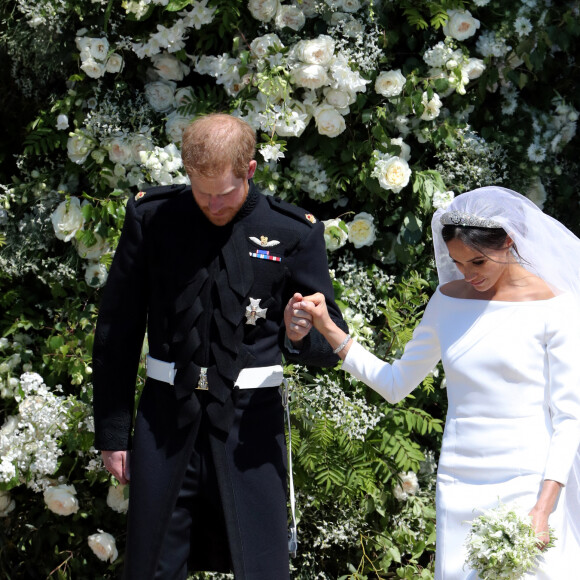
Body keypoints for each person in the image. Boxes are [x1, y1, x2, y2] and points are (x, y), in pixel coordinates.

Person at [92, 113, 347, 579]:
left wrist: (299, 334)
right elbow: (117, 330)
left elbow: (328, 343)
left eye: (225, 193)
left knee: (261, 568)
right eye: (201, 191)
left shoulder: (293, 231)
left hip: (251, 426)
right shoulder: (153, 219)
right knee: (151, 566)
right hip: (165, 422)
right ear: (187, 172)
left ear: (250, 170)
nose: (212, 204)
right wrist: (112, 434)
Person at [288, 186, 580, 578]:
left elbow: (569, 418)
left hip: (530, 483)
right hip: (459, 482)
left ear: (509, 240)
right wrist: (327, 328)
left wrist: (543, 508)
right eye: (459, 264)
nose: (468, 274)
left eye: (478, 261)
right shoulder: (447, 301)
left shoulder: (557, 307)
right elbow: (395, 383)